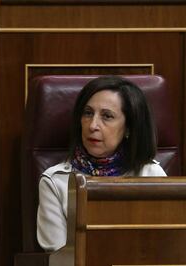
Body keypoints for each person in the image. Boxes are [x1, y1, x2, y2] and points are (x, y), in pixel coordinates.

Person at [37, 76, 166, 251]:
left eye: (107, 116)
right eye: (88, 113)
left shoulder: (151, 176)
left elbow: (162, 246)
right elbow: (58, 256)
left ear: (128, 128)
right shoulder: (56, 181)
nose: (93, 125)